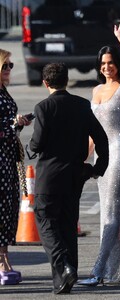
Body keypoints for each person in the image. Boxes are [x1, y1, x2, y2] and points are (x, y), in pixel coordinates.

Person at [29, 62, 109, 294]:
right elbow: (101, 138)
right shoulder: (82, 105)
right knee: (67, 224)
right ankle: (65, 277)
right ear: (66, 80)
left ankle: (63, 265)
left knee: (45, 221)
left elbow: (39, 142)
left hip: (50, 177)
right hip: (75, 174)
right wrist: (97, 168)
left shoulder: (43, 108)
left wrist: (30, 145)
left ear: (46, 83)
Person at [78, 17, 120, 286]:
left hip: (119, 153)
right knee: (112, 211)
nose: (107, 68)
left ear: (118, 65)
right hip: (102, 156)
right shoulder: (97, 89)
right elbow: (93, 130)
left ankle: (99, 271)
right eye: (103, 65)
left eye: (111, 63)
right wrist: (84, 157)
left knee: (112, 213)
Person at [0, 48, 31, 284]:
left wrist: (18, 123)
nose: (9, 69)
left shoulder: (4, 92)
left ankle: (5, 259)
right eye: (5, 66)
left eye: (10, 65)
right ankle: (2, 263)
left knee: (9, 210)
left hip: (8, 160)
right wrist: (12, 124)